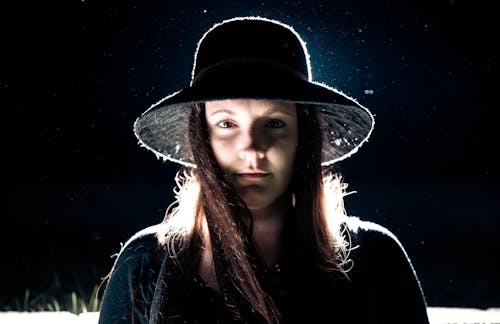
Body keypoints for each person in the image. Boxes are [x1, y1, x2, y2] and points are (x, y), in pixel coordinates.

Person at [98, 17, 430, 323]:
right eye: (227, 123)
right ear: (202, 137)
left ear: (304, 137)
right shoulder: (145, 268)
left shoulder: (376, 260)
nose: (253, 148)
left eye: (274, 123)